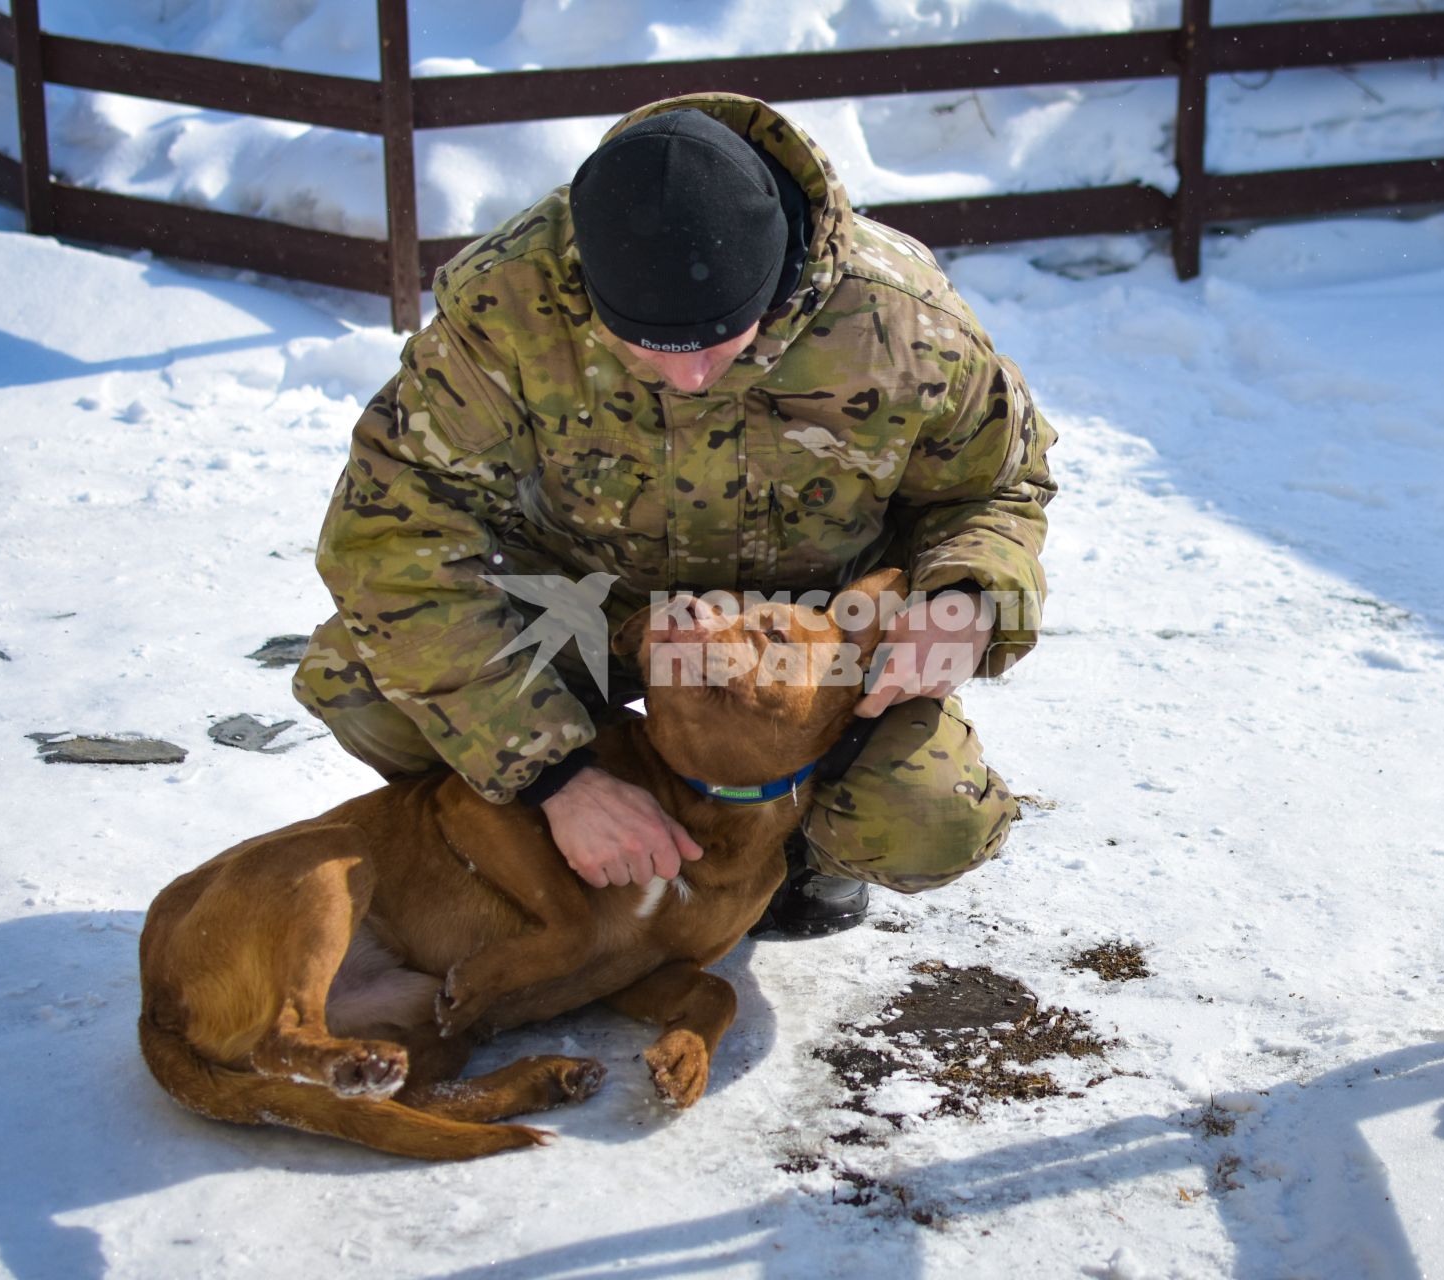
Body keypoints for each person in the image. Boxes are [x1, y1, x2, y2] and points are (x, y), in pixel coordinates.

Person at [292, 93, 1055, 936]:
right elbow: (392, 536)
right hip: (589, 610)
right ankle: (559, 831)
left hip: (800, 643)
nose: (690, 379)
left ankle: (798, 851)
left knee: (929, 819)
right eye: (647, 348)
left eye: (721, 344)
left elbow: (999, 486)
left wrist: (971, 597)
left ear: (779, 280)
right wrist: (552, 774)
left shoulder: (902, 320)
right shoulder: (507, 306)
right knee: (362, 685)